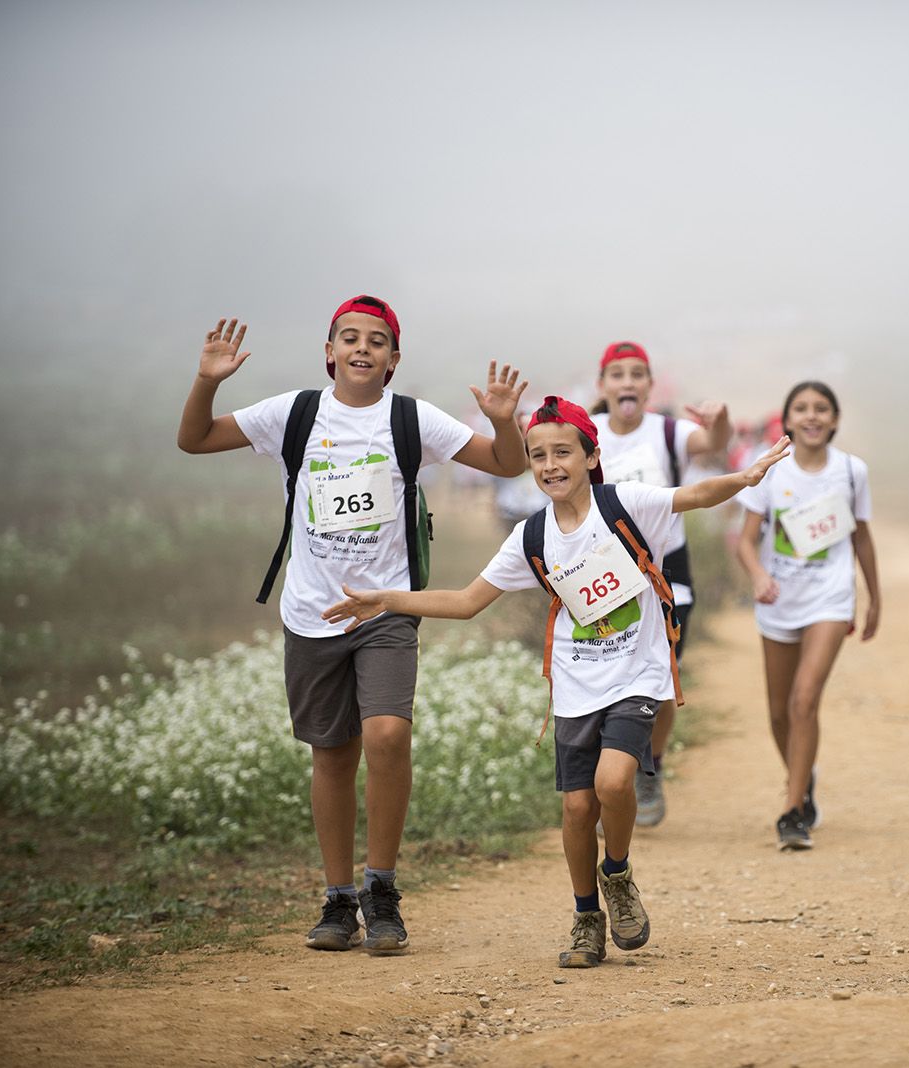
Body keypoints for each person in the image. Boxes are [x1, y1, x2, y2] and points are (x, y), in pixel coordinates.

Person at [325, 397, 788, 967]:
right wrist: (387, 600)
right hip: (575, 684)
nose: (549, 465)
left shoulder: (627, 505)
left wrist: (744, 477)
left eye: (563, 451)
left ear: (593, 456)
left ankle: (616, 873)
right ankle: (586, 916)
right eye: (537, 455)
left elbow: (692, 495)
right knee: (575, 809)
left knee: (615, 784)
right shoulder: (531, 536)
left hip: (637, 674)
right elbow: (469, 601)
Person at [175, 298, 529, 954]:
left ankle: (383, 888)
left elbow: (508, 465)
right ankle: (338, 900)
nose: (362, 347)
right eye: (349, 337)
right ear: (329, 350)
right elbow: (193, 439)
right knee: (333, 756)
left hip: (385, 608)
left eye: (378, 340)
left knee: (388, 735)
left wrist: (505, 424)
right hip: (311, 614)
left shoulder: (411, 421)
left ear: (394, 360)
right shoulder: (295, 414)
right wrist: (208, 381)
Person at [590, 341, 732, 827]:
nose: (627, 382)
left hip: (669, 570)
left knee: (664, 681)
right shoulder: (587, 438)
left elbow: (713, 444)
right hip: (605, 574)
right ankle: (602, 774)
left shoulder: (669, 432)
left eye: (636, 374)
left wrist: (719, 422)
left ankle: (650, 765)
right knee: (606, 675)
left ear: (650, 385)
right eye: (617, 374)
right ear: (602, 385)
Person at [736, 381, 881, 851]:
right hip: (780, 599)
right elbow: (745, 540)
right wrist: (758, 575)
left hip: (830, 599)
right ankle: (803, 776)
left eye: (822, 409)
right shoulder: (771, 469)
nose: (812, 416)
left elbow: (861, 538)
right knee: (778, 713)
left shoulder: (851, 471)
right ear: (788, 419)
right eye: (802, 408)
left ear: (835, 419)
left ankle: (792, 810)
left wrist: (874, 597)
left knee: (804, 700)